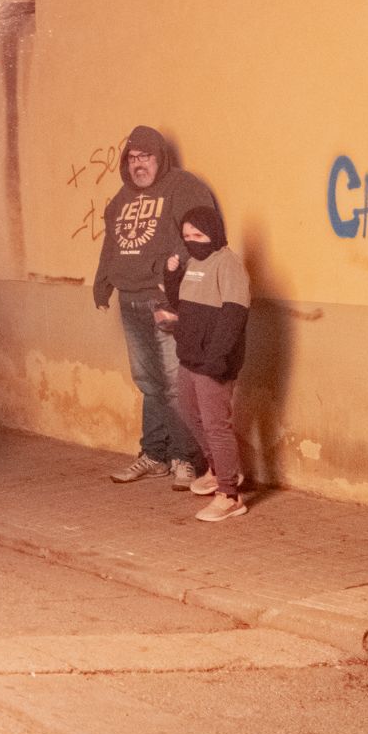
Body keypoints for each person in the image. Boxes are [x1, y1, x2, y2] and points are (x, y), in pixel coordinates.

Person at [93, 126, 216, 490]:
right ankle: (156, 454)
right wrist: (103, 282)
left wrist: (172, 287)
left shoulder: (183, 186)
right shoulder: (121, 198)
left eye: (146, 157)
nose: (138, 165)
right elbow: (111, 243)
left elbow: (197, 237)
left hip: (162, 299)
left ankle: (184, 457)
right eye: (132, 158)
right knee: (149, 382)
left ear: (160, 157)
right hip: (129, 300)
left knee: (175, 382)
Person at [155, 207, 250, 522]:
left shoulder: (229, 264)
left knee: (215, 425)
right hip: (190, 356)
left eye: (199, 235)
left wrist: (217, 358)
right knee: (189, 413)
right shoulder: (194, 262)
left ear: (215, 232)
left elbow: (234, 316)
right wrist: (171, 275)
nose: (193, 242)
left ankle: (230, 495)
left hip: (213, 361)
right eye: (187, 237)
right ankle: (217, 470)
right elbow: (180, 303)